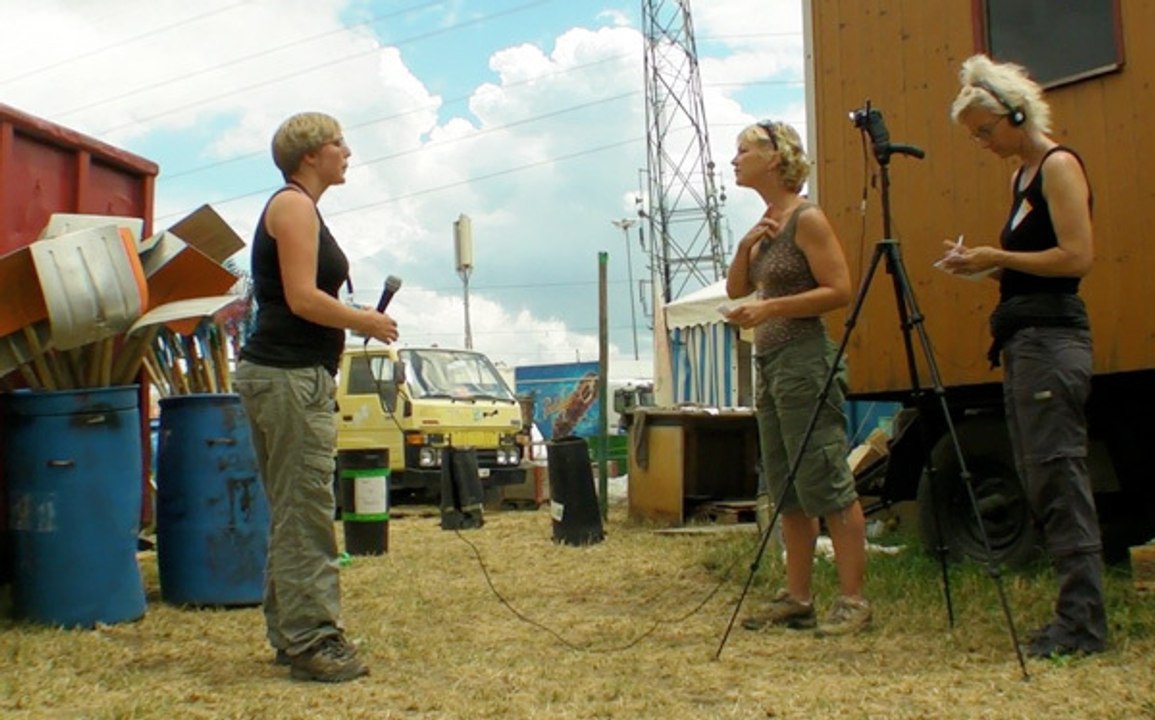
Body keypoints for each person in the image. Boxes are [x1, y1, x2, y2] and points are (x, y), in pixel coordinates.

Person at [942, 54, 1107, 658]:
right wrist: (981, 266)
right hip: (1026, 338)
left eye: (985, 131)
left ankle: (1083, 624)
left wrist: (1000, 256)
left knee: (1058, 475)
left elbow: (1076, 258)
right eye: (974, 136)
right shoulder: (1020, 176)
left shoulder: (1058, 166)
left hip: (1053, 339)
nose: (982, 143)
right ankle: (1073, 615)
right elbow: (1032, 266)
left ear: (1017, 114)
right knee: (1042, 475)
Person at [235, 112, 399, 682]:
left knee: (293, 510)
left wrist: (352, 318)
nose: (347, 151)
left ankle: (292, 634)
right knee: (305, 511)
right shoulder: (294, 206)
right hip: (290, 377)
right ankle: (314, 641)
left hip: (284, 375)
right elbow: (303, 298)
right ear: (310, 155)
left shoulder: (299, 207)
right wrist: (364, 321)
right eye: (338, 143)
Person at [725, 120, 871, 637]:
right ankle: (798, 597)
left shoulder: (807, 219)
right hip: (771, 364)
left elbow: (840, 290)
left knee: (825, 478)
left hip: (806, 360)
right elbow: (737, 288)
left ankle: (853, 601)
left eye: (744, 150)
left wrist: (771, 309)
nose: (734, 159)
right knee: (786, 484)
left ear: (775, 157)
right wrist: (745, 247)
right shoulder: (767, 223)